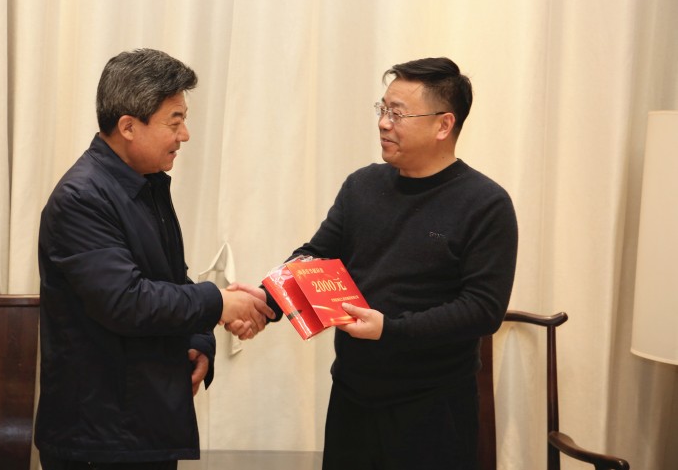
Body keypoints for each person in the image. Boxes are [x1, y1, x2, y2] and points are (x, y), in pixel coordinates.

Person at [232, 56, 518, 469]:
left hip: (433, 408)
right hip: (353, 397)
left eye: (398, 114)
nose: (383, 123)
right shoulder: (362, 186)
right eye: (383, 109)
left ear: (443, 125)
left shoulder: (485, 204)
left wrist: (390, 329)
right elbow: (316, 256)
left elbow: (482, 310)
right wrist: (267, 300)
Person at [35, 48, 274, 470]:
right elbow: (127, 301)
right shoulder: (82, 198)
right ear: (128, 126)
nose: (185, 135)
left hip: (143, 423)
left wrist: (199, 340)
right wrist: (219, 303)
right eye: (174, 122)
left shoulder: (146, 183)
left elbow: (172, 279)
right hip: (98, 436)